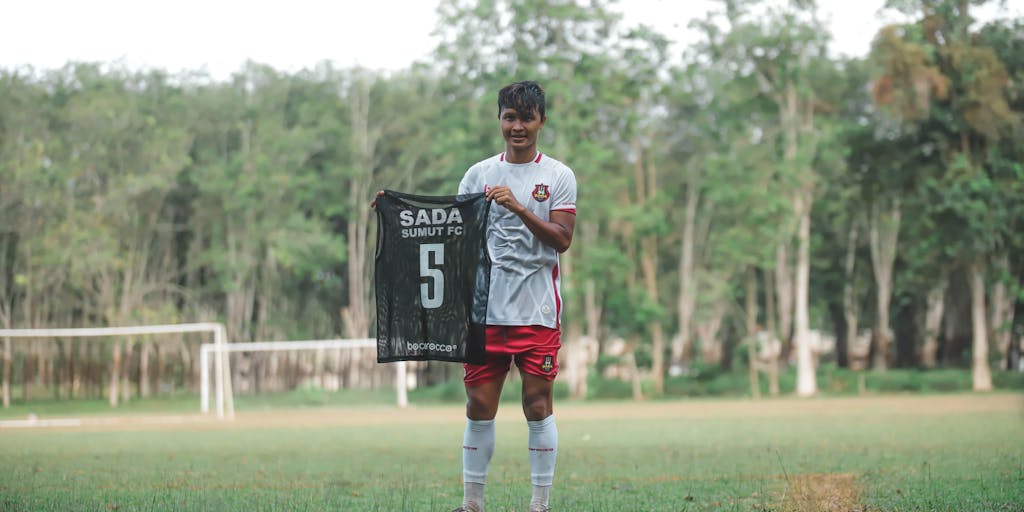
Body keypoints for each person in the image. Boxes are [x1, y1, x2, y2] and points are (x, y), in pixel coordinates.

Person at [452, 80, 577, 512]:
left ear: (541, 121)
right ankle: (472, 505)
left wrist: (519, 206)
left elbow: (561, 239)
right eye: (510, 117)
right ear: (500, 120)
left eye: (526, 117)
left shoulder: (557, 176)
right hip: (485, 311)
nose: (517, 126)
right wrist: (398, 212)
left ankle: (539, 505)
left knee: (537, 404)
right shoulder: (479, 173)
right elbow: (453, 231)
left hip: (536, 311)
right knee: (478, 404)